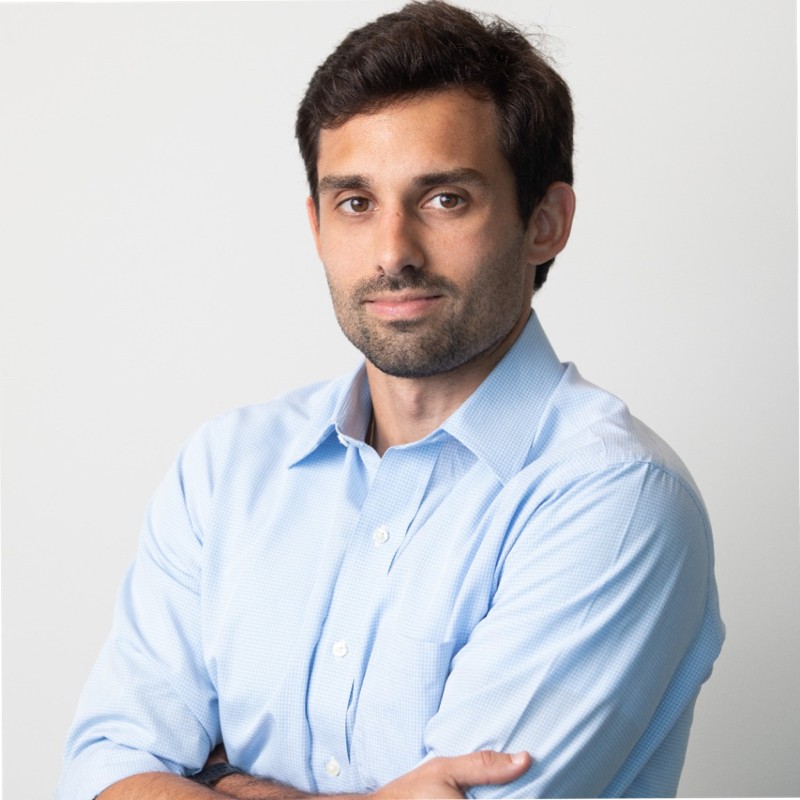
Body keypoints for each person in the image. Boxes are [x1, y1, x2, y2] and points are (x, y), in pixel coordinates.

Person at [57, 2, 724, 798]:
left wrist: (225, 781)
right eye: (356, 202)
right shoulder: (225, 469)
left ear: (545, 223)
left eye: (445, 199)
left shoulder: (616, 496)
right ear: (316, 225)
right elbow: (103, 769)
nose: (392, 252)